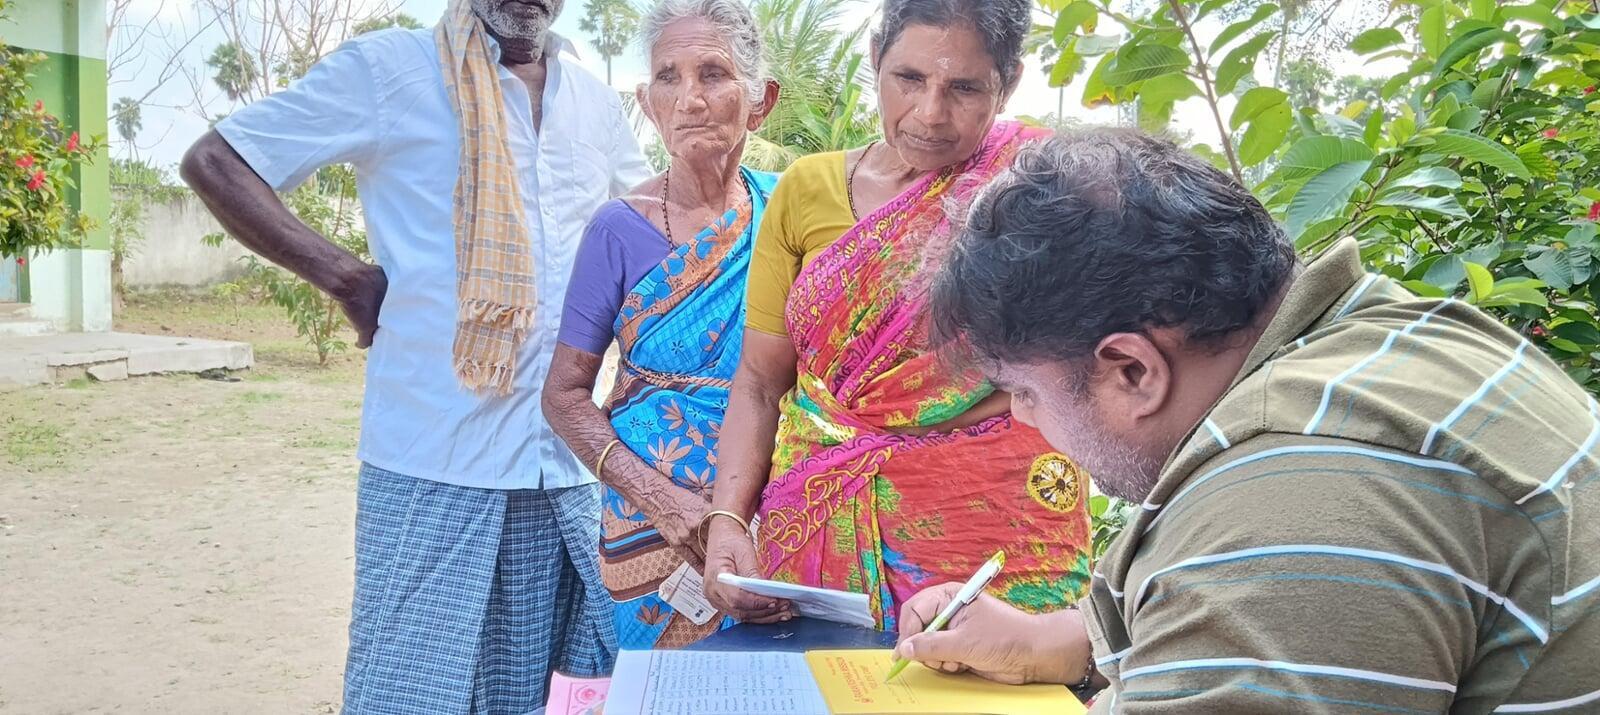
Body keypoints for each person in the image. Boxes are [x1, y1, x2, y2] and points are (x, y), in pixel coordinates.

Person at [895, 128, 1600, 711]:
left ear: (1132, 371)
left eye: (1024, 390)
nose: (1022, 419)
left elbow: (1277, 570)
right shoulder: (1392, 336)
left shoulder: (1291, 505)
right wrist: (1065, 640)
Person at [179, 0, 651, 710]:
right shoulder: (390, 71)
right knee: (407, 695)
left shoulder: (593, 103)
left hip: (564, 469)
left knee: (554, 693)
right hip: (432, 461)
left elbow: (650, 229)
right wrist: (342, 274)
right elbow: (216, 161)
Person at [700, 0, 1094, 630]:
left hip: (991, 516)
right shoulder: (806, 188)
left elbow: (1084, 366)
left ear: (1009, 83)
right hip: (818, 507)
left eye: (965, 88)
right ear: (876, 60)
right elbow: (759, 380)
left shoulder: (1042, 187)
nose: (930, 114)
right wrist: (726, 521)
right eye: (909, 79)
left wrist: (919, 430)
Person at [543, 0, 780, 650]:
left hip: (773, 510)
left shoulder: (790, 212)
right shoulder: (616, 230)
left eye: (712, 73)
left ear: (762, 101)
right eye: (668, 79)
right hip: (652, 523)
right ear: (648, 104)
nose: (689, 99)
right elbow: (563, 396)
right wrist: (664, 503)